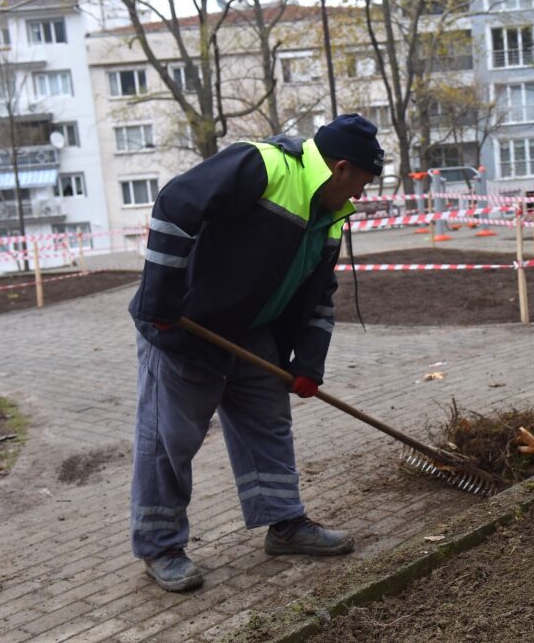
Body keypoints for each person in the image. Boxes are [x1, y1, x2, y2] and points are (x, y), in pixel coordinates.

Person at [127, 114, 384, 592]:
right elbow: (174, 204)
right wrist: (160, 299)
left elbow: (318, 297)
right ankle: (160, 545)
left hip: (252, 332)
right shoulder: (263, 165)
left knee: (268, 424)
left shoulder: (329, 218)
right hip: (186, 324)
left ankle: (284, 524)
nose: (360, 196)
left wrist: (308, 363)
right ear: (341, 168)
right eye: (361, 183)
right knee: (171, 440)